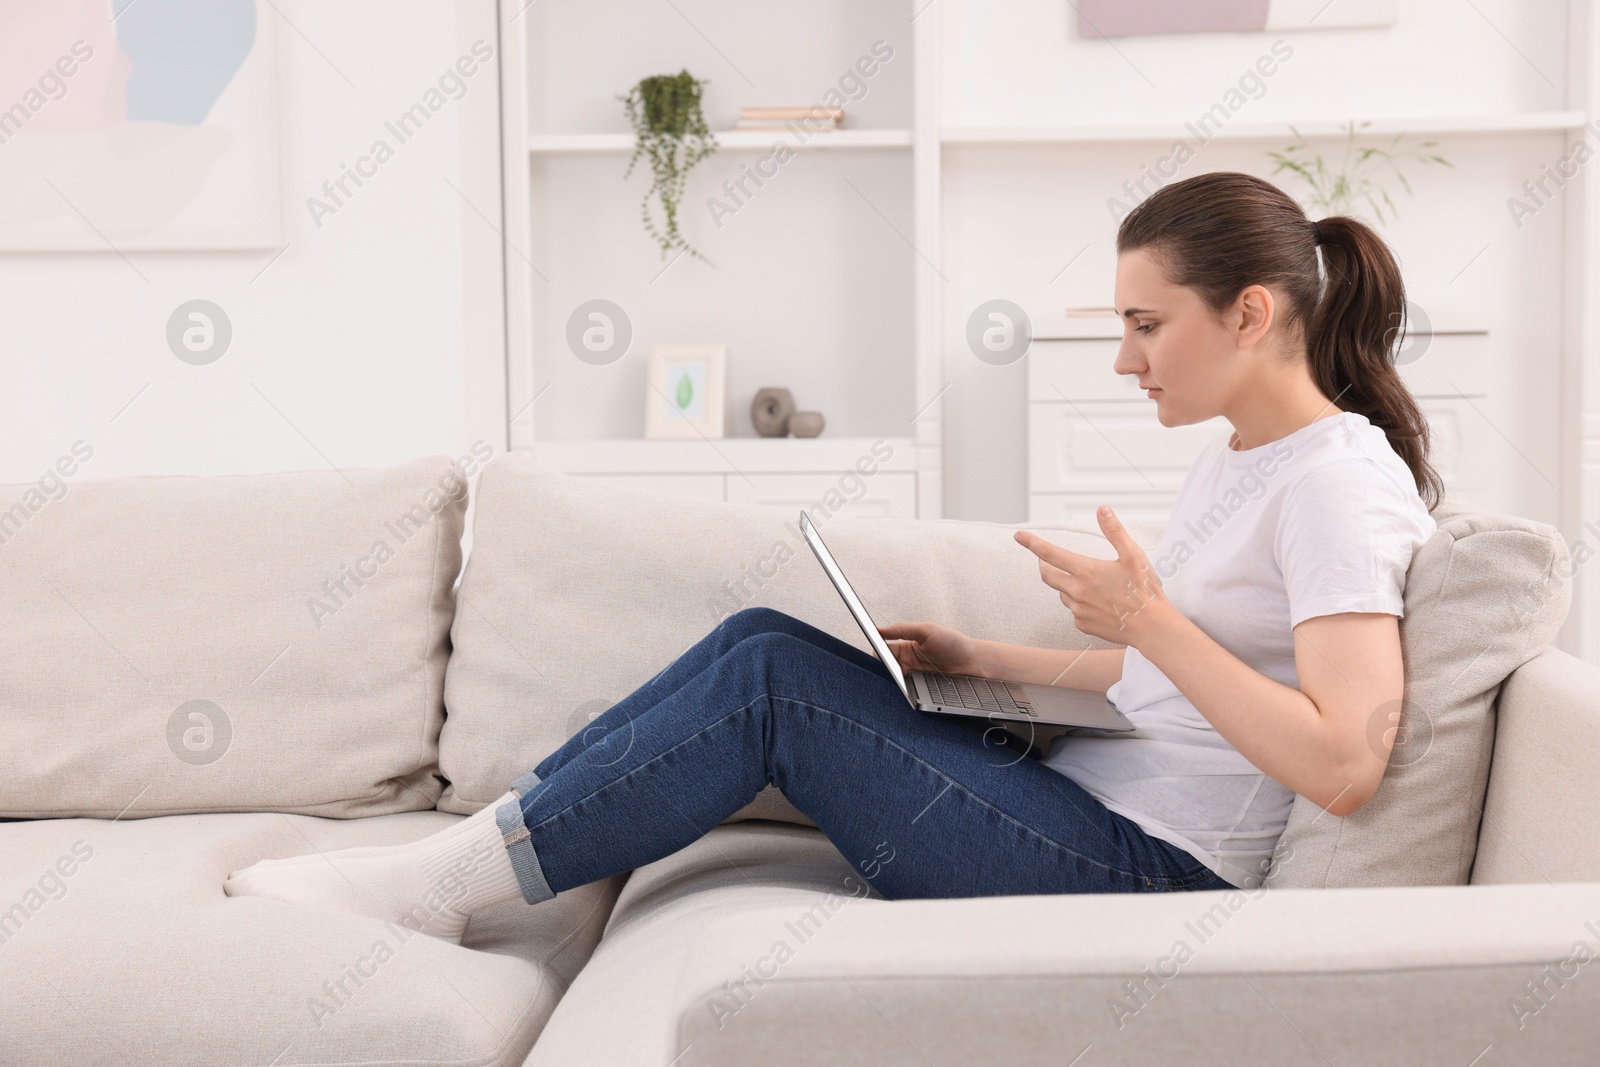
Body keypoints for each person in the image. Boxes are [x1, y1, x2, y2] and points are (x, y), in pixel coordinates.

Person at [224, 172, 1440, 940]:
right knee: (766, 639)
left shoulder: (1337, 483)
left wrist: (1150, 617)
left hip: (1151, 878)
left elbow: (1342, 761)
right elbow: (1171, 686)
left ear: (1248, 314)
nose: (1125, 359)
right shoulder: (1242, 456)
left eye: (1143, 324)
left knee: (771, 691)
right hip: (1093, 808)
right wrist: (989, 654)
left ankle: (432, 886)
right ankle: (507, 831)